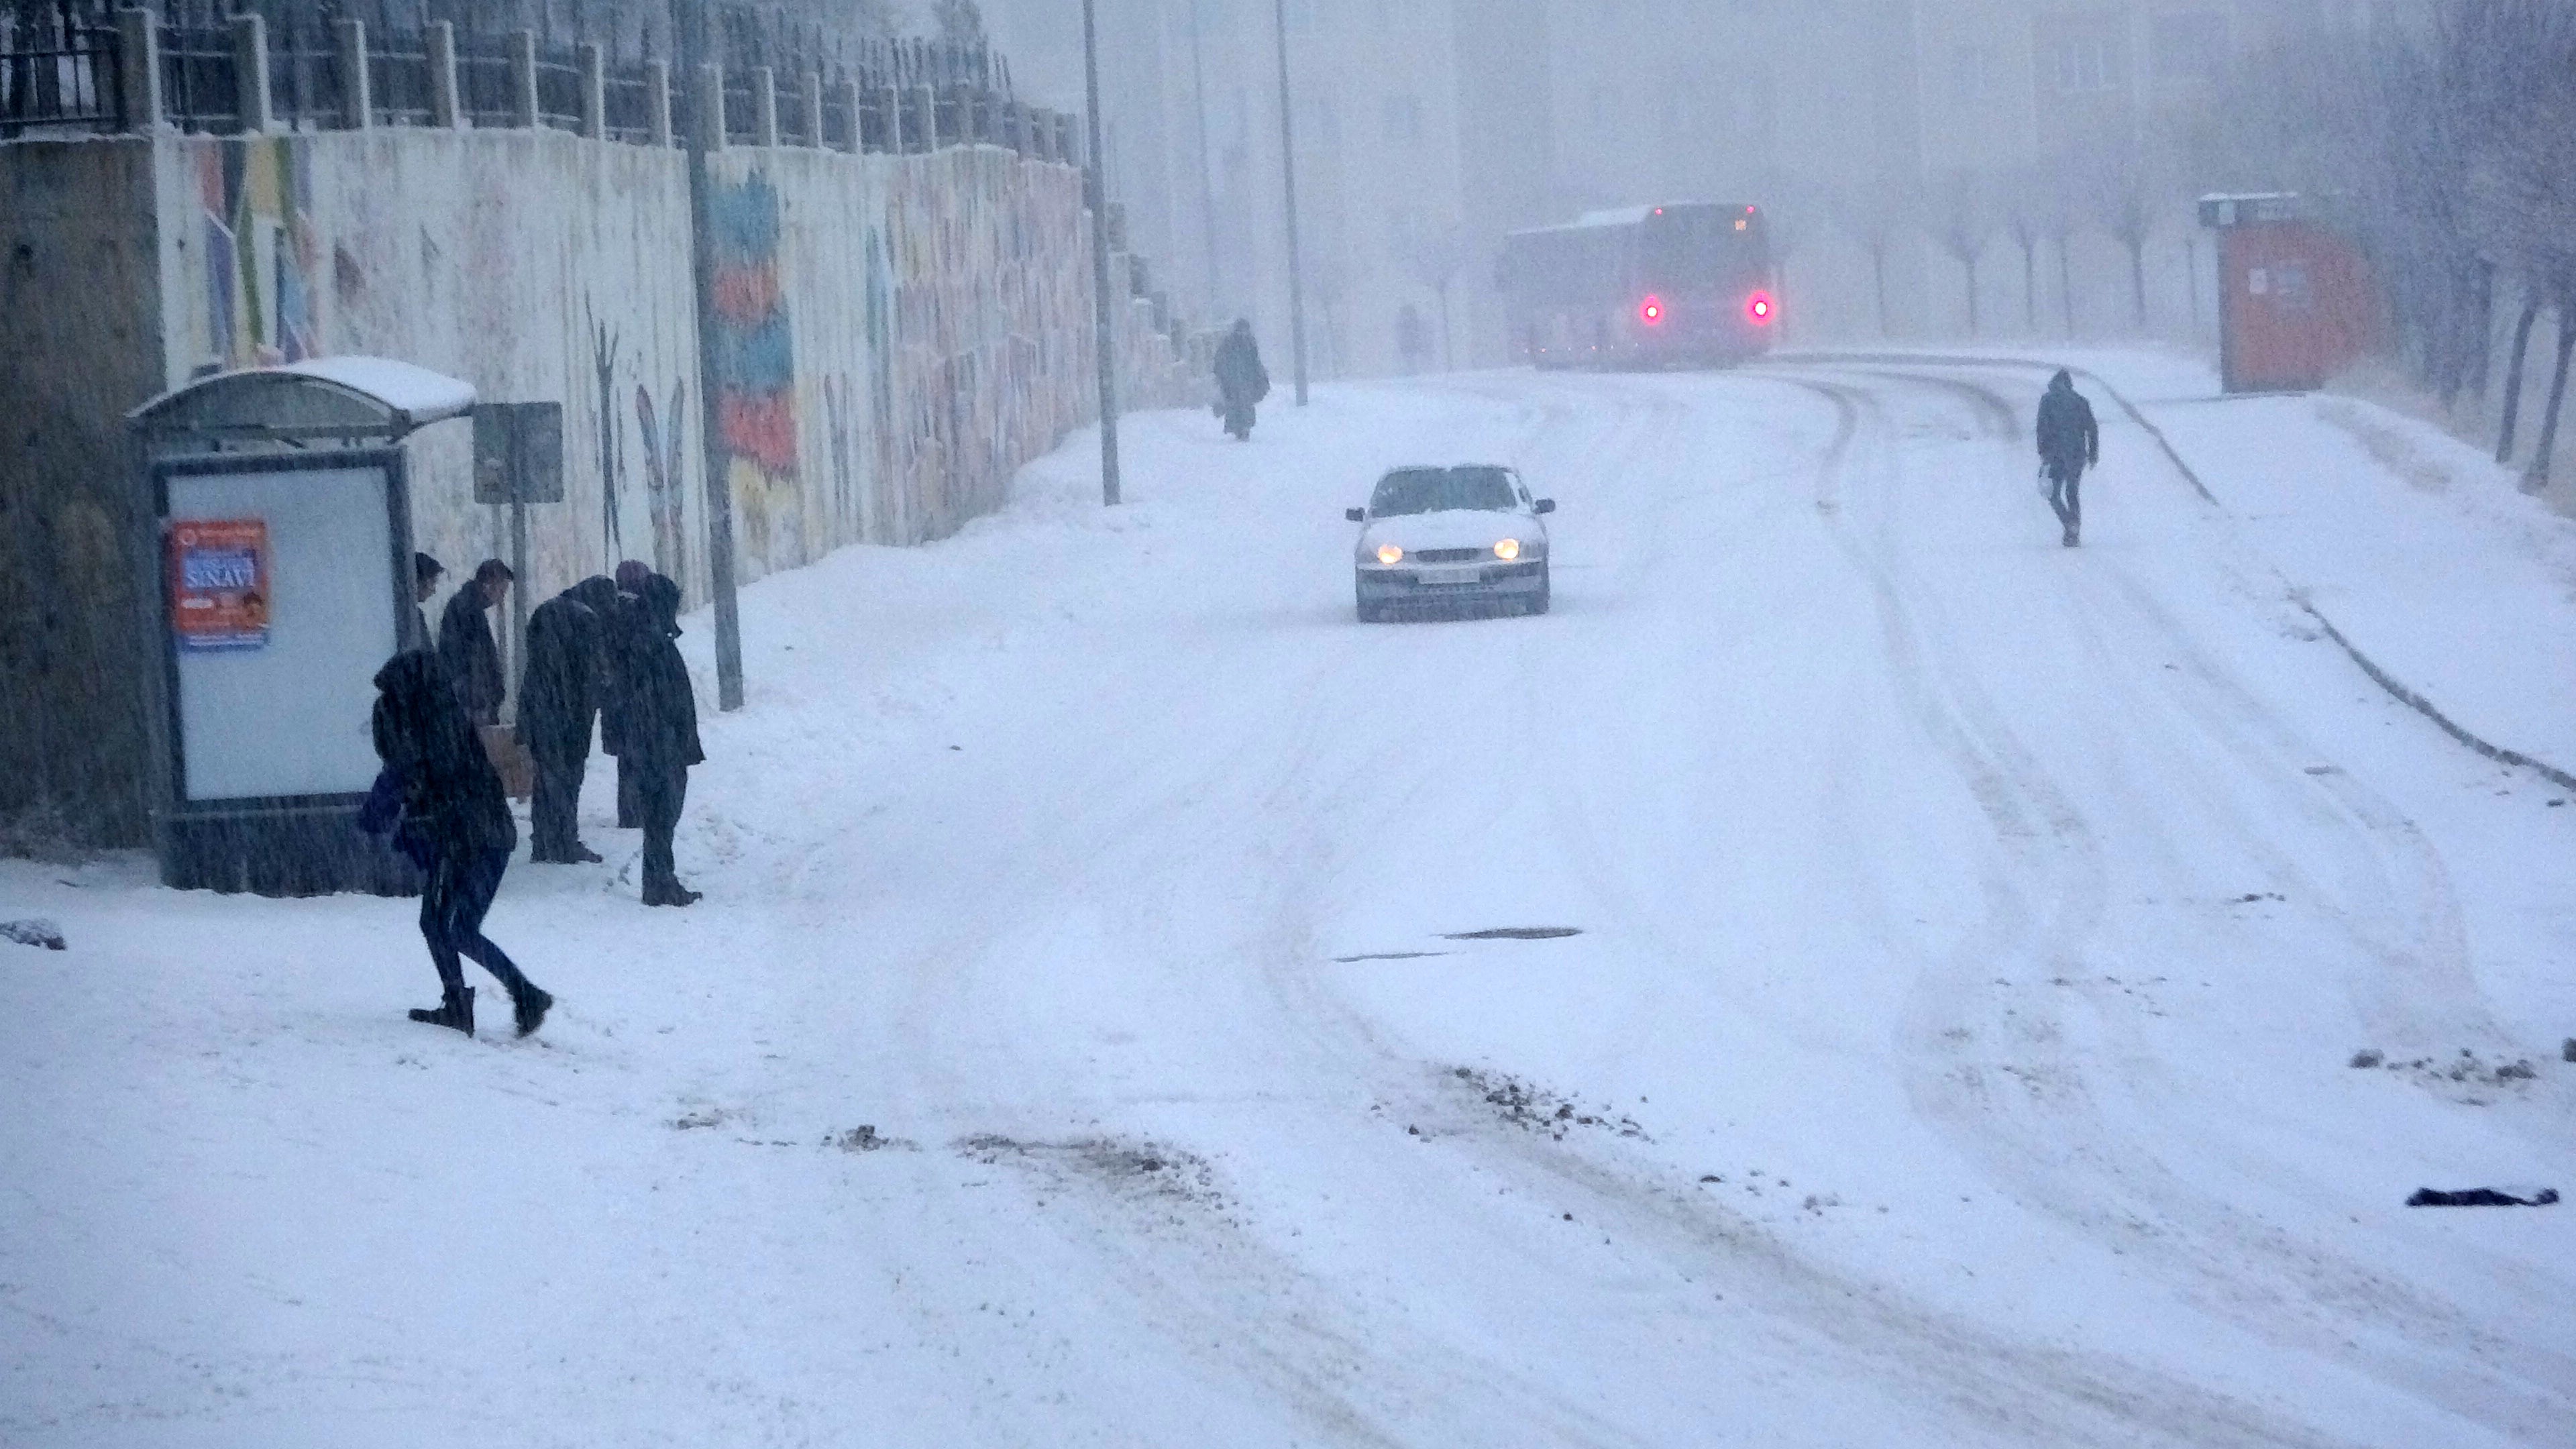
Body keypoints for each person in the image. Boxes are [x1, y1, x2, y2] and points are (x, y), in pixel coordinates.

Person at [369, 651, 553, 1038]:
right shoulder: (443, 714)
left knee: (446, 925)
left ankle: (497, 998)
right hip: (486, 834)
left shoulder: (427, 723)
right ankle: (510, 997)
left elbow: (414, 773)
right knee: (455, 926)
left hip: (465, 838)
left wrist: (385, 809)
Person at [610, 574, 704, 907]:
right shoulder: (649, 641)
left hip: (654, 741)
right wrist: (667, 739)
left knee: (661, 816)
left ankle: (661, 880)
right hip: (658, 743)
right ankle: (659, 883)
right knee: (663, 814)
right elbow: (655, 698)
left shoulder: (646, 636)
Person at [518, 576, 621, 864]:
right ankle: (564, 841)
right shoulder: (587, 620)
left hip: (539, 709)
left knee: (545, 778)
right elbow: (593, 673)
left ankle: (544, 840)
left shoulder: (545, 611)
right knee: (568, 779)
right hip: (569, 714)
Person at [437, 558, 514, 724]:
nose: (502, 597)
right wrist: (482, 703)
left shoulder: (468, 607)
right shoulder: (467, 610)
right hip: (471, 708)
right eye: (502, 590)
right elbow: (474, 663)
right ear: (488, 585)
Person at [607, 560, 654, 829]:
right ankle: (633, 811)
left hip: (619, 697)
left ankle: (630, 810)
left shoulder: (613, 610)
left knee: (628, 757)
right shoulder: (636, 613)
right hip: (635, 697)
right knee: (637, 756)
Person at [2036, 369, 2100, 548]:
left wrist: (2043, 452)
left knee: (2052, 493)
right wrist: (2093, 452)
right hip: (2077, 455)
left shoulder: (2047, 401)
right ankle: (2073, 534)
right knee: (2072, 492)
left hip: (2055, 455)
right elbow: (2092, 428)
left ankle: (2068, 523)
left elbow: (2042, 428)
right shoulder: (2081, 402)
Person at [1213, 319, 1271, 441]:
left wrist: (1258, 376)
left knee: (1244, 405)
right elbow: (1220, 361)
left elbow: (1255, 361)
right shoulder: (1229, 343)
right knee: (1236, 405)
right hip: (1233, 380)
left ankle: (1245, 428)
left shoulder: (1250, 343)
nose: (1243, 333)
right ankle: (1239, 428)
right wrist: (1224, 376)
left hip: (1245, 380)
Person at [412, 552, 445, 649]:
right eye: (433, 582)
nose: (434, 591)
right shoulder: (413, 616)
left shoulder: (416, 614)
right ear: (421, 581)